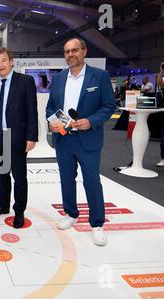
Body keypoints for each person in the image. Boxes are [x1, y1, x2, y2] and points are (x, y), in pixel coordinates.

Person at [46, 38, 116, 246]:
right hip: (63, 138)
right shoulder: (58, 78)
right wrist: (52, 122)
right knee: (66, 179)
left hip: (88, 139)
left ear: (84, 51)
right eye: (66, 51)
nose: (70, 55)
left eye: (74, 50)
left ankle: (97, 223)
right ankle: (70, 213)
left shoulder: (100, 76)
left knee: (92, 182)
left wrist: (91, 121)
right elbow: (51, 107)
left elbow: (109, 105)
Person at [0, 47, 38, 229]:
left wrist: (32, 137)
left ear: (11, 61)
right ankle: (3, 205)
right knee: (2, 175)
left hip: (16, 138)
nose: (0, 65)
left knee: (19, 177)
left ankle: (19, 211)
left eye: (3, 60)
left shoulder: (25, 81)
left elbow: (32, 110)